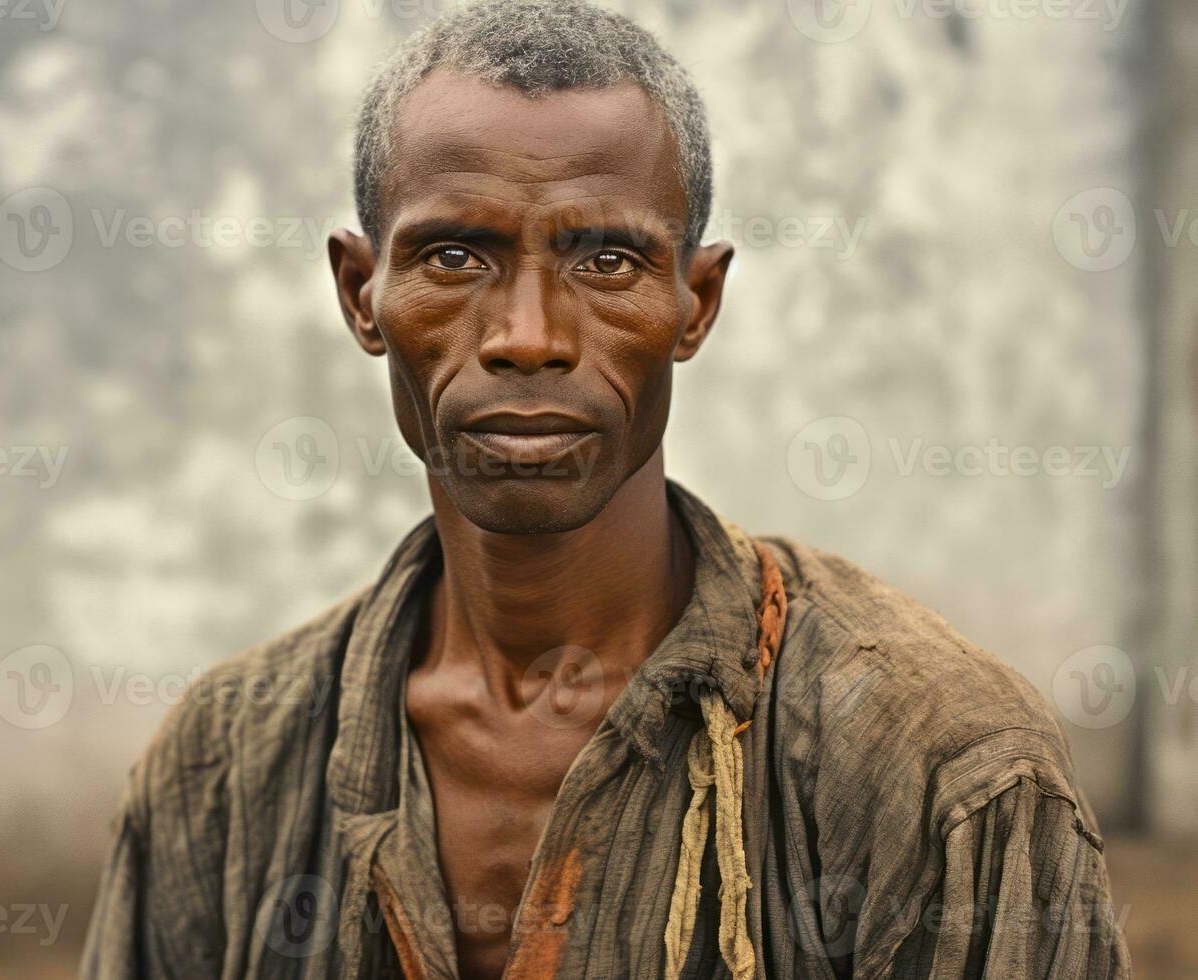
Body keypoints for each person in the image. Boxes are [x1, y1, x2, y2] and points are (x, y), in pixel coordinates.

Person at [81, 1, 1130, 976]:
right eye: (453, 255)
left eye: (606, 261)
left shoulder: (937, 763)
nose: (525, 336)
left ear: (694, 301)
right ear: (363, 294)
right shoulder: (222, 770)